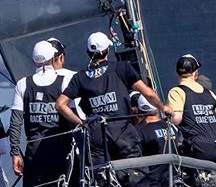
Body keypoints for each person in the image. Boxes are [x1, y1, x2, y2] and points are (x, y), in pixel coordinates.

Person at [55, 32, 172, 169]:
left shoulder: (80, 77)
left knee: (101, 179)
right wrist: (163, 108)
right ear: (107, 51)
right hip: (122, 131)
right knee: (136, 172)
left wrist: (82, 123)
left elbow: (60, 105)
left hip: (96, 134)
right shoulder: (122, 68)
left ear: (88, 52)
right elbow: (147, 93)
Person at [8, 40, 76, 187]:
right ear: (54, 58)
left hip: (33, 149)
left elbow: (16, 122)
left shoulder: (23, 84)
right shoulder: (64, 81)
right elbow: (72, 113)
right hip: (60, 146)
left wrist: (15, 152)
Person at [167, 54, 216, 166]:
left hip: (197, 151)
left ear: (177, 73)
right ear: (195, 73)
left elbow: (176, 120)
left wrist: (166, 110)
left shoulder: (176, 92)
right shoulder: (209, 93)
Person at [133, 94, 181, 187]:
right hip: (174, 179)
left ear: (139, 109)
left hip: (153, 183)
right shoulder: (171, 126)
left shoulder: (139, 131)